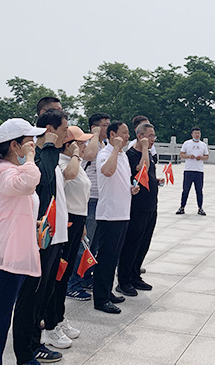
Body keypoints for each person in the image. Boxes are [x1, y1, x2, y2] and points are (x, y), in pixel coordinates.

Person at [0, 118, 45, 365]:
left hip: (12, 253)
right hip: (3, 257)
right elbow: (27, 183)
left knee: (0, 321)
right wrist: (30, 158)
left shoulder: (8, 171)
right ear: (15, 145)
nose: (33, 145)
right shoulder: (4, 173)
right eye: (29, 142)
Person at [13, 109, 68, 365]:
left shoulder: (49, 154)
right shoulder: (36, 156)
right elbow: (42, 179)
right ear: (50, 129)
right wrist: (47, 147)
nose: (66, 135)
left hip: (52, 233)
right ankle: (28, 348)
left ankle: (35, 341)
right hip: (38, 235)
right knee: (31, 296)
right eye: (63, 130)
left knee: (44, 292)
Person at [41, 125, 92, 350]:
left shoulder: (74, 161)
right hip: (66, 221)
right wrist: (75, 154)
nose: (84, 145)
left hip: (77, 221)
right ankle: (50, 323)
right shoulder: (63, 162)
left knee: (65, 272)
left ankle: (59, 318)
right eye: (80, 142)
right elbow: (69, 176)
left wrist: (83, 225)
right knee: (58, 276)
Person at [93, 121, 138, 314]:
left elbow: (120, 179)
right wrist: (116, 149)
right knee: (105, 258)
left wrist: (131, 188)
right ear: (112, 134)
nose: (127, 136)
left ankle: (107, 291)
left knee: (114, 257)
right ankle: (100, 299)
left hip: (123, 212)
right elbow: (107, 171)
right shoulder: (105, 153)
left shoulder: (122, 155)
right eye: (124, 133)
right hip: (109, 214)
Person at [67, 112, 109, 298]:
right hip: (89, 199)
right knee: (84, 243)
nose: (108, 127)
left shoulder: (104, 144)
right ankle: (73, 283)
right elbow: (90, 155)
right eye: (104, 125)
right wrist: (95, 135)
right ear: (95, 127)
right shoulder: (89, 144)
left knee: (95, 244)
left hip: (100, 199)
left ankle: (85, 277)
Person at [116, 123, 158, 297]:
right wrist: (145, 149)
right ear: (140, 136)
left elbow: (148, 174)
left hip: (150, 205)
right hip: (137, 207)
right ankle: (124, 280)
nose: (153, 139)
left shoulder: (148, 154)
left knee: (143, 243)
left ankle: (135, 275)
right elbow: (143, 168)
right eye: (150, 136)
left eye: (154, 136)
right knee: (132, 243)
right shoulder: (132, 155)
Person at [177, 127, 210, 216]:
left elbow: (207, 157)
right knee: (185, 190)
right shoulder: (187, 143)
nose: (197, 135)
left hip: (199, 171)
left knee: (199, 190)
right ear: (192, 134)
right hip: (188, 170)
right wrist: (189, 156)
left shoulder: (203, 145)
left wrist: (201, 157)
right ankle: (182, 207)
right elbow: (181, 155)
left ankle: (200, 208)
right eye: (195, 133)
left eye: (198, 133)